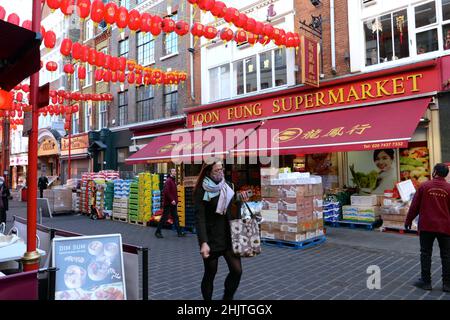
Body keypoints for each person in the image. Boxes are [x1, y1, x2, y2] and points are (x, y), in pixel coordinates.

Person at [194, 161, 249, 300]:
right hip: (212, 238)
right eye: (217, 170)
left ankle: (227, 298)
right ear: (208, 172)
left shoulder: (228, 186)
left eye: (221, 169)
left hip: (229, 235)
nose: (221, 172)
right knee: (210, 273)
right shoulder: (201, 190)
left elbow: (230, 207)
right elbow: (200, 218)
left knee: (237, 271)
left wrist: (240, 200)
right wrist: (203, 242)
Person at [405, 163, 450, 292]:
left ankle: (426, 282)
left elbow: (414, 206)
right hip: (445, 227)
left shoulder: (424, 186)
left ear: (435, 172)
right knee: (446, 255)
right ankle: (447, 284)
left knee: (425, 253)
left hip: (427, 226)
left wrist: (408, 220)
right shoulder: (449, 188)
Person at [155, 168, 184, 238]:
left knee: (175, 217)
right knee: (164, 218)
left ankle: (179, 232)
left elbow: (173, 192)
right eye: (173, 171)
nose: (175, 172)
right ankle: (157, 232)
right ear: (170, 172)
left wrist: (175, 201)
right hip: (168, 203)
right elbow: (166, 192)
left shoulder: (173, 181)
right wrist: (172, 200)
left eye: (175, 171)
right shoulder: (168, 181)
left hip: (173, 203)